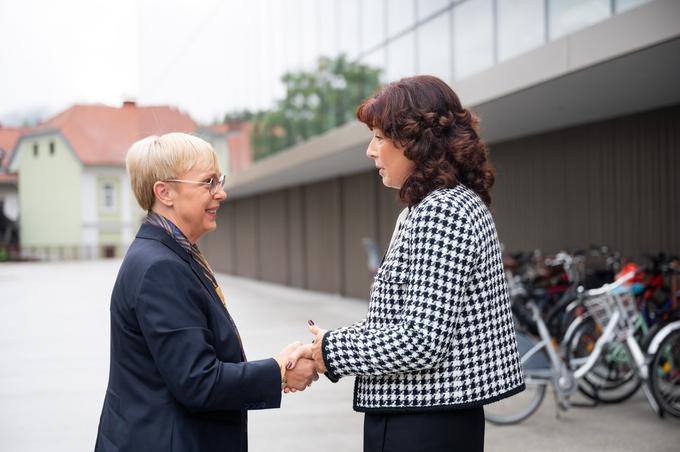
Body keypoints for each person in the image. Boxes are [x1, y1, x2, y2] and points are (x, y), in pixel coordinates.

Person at [289, 75, 525, 451]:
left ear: (419, 143)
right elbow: (405, 323)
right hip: (426, 413)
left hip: (424, 420)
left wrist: (329, 352)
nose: (370, 150)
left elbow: (422, 339)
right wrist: (329, 347)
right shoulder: (436, 206)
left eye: (380, 137)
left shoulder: (443, 210)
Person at [94, 133, 317, 452]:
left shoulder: (169, 254)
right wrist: (278, 370)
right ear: (165, 192)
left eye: (219, 180)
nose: (221, 193)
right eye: (208, 182)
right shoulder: (161, 268)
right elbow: (197, 382)